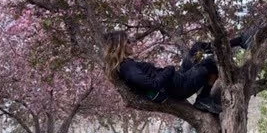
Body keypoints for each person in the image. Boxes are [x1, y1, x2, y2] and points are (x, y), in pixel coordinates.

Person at [103, 30, 253, 114]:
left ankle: (240, 41)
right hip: (179, 86)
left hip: (178, 78)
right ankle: (204, 98)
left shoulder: (127, 65)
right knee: (212, 62)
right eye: (128, 42)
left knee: (197, 47)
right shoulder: (127, 67)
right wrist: (168, 69)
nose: (132, 43)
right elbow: (153, 84)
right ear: (119, 46)